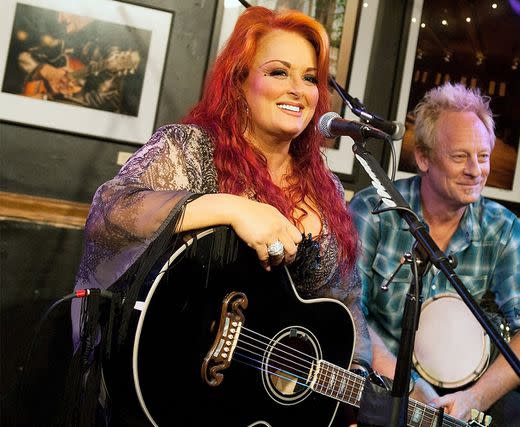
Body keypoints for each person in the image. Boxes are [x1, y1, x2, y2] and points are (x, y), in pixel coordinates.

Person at [67, 6, 370, 426]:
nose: (298, 89)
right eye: (279, 72)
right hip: (169, 395)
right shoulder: (190, 149)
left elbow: (346, 306)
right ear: (240, 80)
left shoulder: (328, 189)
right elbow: (110, 213)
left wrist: (353, 391)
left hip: (259, 407)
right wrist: (232, 207)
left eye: (309, 78)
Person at [349, 83, 520, 425]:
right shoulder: (373, 208)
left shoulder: (503, 229)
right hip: (384, 379)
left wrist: (474, 398)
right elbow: (350, 310)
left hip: (467, 391)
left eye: (483, 156)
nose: (475, 170)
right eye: (460, 156)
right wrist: (412, 389)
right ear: (423, 158)